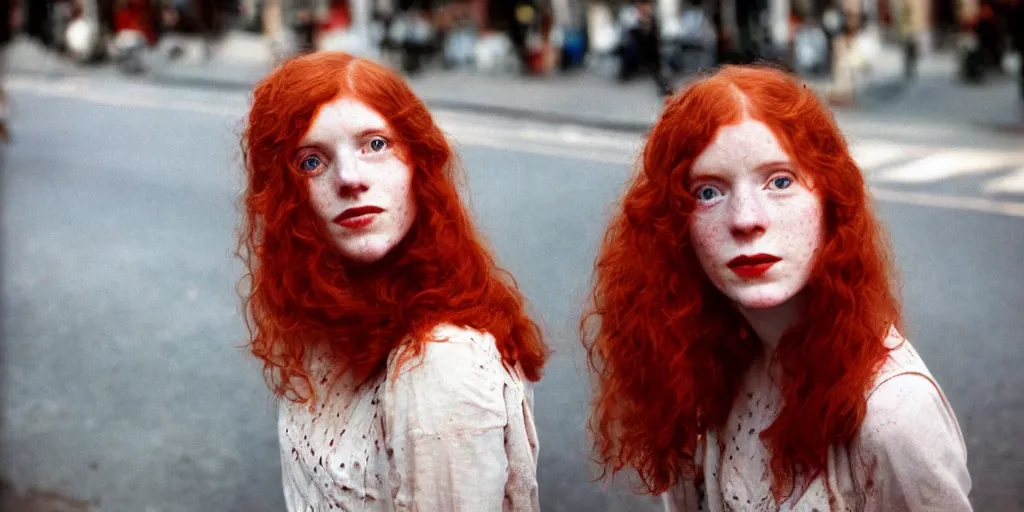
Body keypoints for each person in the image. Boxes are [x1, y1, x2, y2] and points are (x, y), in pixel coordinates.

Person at [580, 65, 972, 511]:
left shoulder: (893, 415)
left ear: (830, 204)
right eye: (708, 192)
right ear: (674, 229)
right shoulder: (702, 372)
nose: (747, 218)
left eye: (779, 181)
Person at [238, 51, 548, 511]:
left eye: (375, 145)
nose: (350, 178)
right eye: (311, 162)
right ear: (284, 199)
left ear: (417, 165)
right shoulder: (332, 319)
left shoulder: (440, 366)